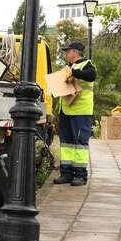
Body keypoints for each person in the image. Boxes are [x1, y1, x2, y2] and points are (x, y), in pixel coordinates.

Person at [53, 41, 96, 186]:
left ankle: (80, 175)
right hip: (66, 110)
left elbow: (91, 76)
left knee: (80, 143)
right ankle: (66, 173)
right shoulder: (68, 68)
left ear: (75, 52)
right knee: (66, 143)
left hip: (81, 111)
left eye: (68, 51)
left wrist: (74, 73)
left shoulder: (87, 65)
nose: (66, 54)